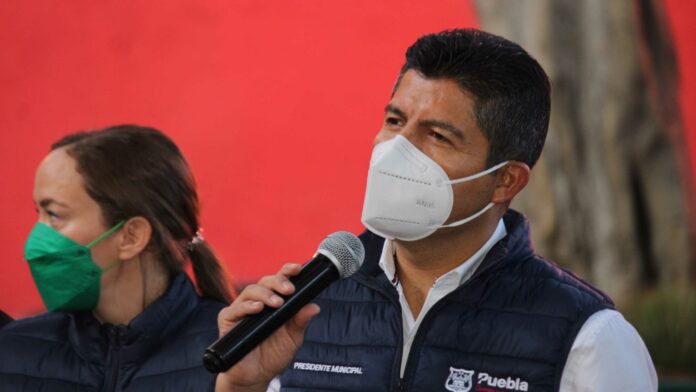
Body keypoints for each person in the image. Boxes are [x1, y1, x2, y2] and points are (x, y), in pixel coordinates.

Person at [215, 29, 657, 392]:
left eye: (437, 136)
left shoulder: (587, 338)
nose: (396, 149)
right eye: (394, 121)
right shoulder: (301, 313)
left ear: (506, 181)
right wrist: (241, 388)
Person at [0, 125, 233, 391]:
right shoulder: (13, 351)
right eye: (38, 213)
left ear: (131, 237)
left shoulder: (238, 353)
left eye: (54, 215)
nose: (36, 240)